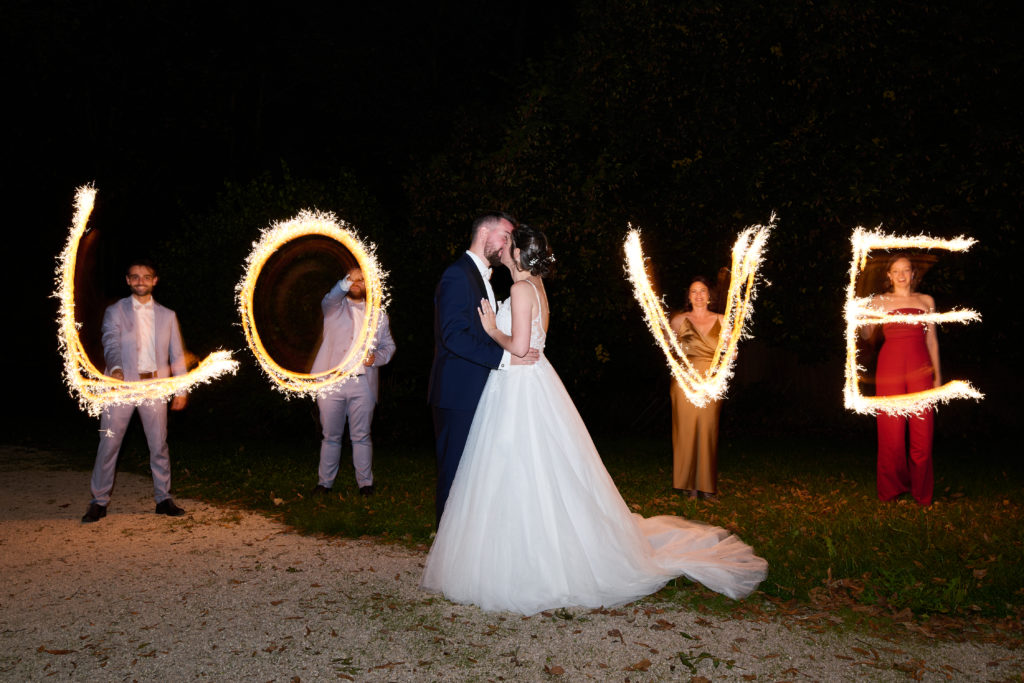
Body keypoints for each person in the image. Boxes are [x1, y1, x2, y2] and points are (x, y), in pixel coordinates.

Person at [421, 226, 767, 615]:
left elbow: (520, 347)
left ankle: (523, 561)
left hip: (518, 387)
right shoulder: (537, 288)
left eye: (509, 244)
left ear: (518, 254)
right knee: (541, 471)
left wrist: (491, 330)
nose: (502, 247)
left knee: (516, 466)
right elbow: (536, 340)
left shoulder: (519, 290)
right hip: (534, 384)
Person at [427, 212, 538, 524]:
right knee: (454, 474)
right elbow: (453, 337)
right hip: (458, 393)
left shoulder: (483, 278)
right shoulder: (457, 275)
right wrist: (506, 359)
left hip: (481, 393)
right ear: (485, 232)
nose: (508, 243)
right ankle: (446, 553)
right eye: (506, 235)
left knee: (475, 477)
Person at [81, 259, 189, 523]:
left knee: (158, 444)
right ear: (128, 280)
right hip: (121, 385)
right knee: (109, 443)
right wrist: (116, 368)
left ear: (155, 280)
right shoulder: (115, 311)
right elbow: (110, 341)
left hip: (154, 385)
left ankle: (163, 498)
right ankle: (99, 501)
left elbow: (177, 355)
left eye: (146, 276)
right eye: (135, 276)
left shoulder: (168, 315)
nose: (141, 280)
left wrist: (181, 389)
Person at [310, 268, 396, 497]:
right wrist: (347, 280)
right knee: (331, 436)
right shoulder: (333, 308)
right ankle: (324, 484)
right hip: (332, 383)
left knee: (361, 435)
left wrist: (376, 358)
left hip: (363, 384)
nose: (357, 282)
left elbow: (389, 347)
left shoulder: (379, 315)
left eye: (361, 280)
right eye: (352, 279)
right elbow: (331, 296)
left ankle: (365, 485)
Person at [865, 254, 941, 506]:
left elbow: (931, 340)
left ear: (912, 273)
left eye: (905, 270)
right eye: (895, 271)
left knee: (923, 433)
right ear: (888, 275)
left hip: (921, 367)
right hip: (890, 367)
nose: (900, 275)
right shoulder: (880, 301)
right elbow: (866, 334)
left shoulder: (926, 301)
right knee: (891, 434)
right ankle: (891, 492)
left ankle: (922, 494)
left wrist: (938, 377)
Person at [669, 277, 726, 500]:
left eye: (703, 291)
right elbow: (669, 348)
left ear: (709, 296)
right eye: (694, 292)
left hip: (711, 383)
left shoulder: (722, 320)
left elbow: (730, 349)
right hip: (685, 382)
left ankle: (707, 486)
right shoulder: (678, 320)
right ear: (689, 297)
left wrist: (731, 355)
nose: (699, 295)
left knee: (707, 430)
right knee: (685, 432)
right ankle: (687, 485)